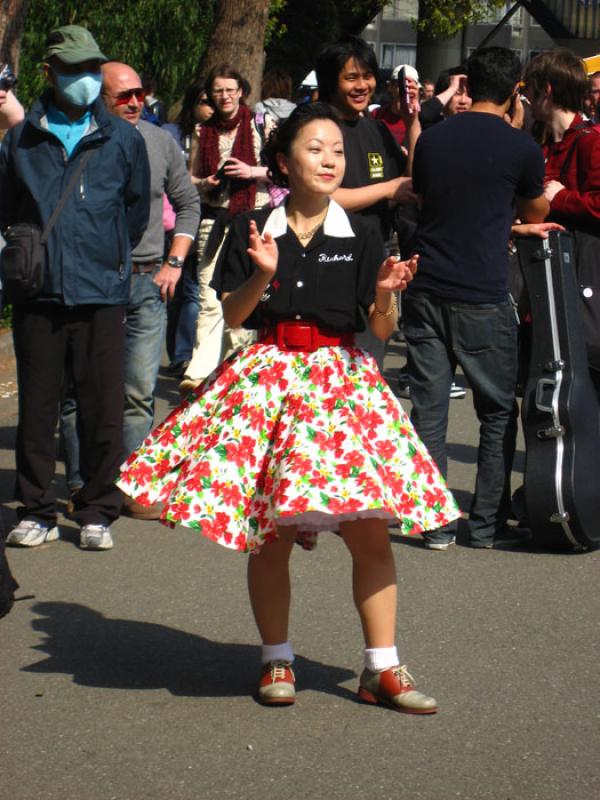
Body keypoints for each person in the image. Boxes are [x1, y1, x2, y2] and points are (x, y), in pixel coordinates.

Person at [118, 102, 460, 711]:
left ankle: (382, 667)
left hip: (341, 385)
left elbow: (377, 330)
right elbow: (235, 316)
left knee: (370, 534)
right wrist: (262, 274)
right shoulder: (254, 228)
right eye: (315, 149)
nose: (330, 160)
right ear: (283, 161)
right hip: (268, 380)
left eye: (337, 152)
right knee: (268, 535)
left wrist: (385, 296)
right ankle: (277, 659)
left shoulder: (365, 235)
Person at [0, 25, 150, 551]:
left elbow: (134, 213)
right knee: (38, 409)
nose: (86, 79)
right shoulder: (20, 139)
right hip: (38, 292)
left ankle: (97, 509)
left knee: (102, 408)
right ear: (50, 73)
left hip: (102, 293)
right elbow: (8, 210)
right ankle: (37, 508)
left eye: (93, 69)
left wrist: (105, 258)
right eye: (75, 69)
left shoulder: (123, 138)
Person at [402, 46, 548, 552]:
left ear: (467, 88)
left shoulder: (435, 141)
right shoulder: (521, 148)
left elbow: (424, 195)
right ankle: (484, 525)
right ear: (514, 93)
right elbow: (537, 206)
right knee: (496, 413)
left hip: (427, 287)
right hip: (484, 292)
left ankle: (435, 523)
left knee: (430, 411)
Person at [60, 61, 201, 521]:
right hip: (91, 283)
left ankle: (132, 484)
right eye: (123, 96)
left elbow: (188, 204)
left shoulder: (161, 142)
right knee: (80, 389)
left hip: (145, 280)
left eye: (139, 93)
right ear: (98, 99)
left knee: (139, 390)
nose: (135, 102)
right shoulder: (81, 141)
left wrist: (174, 263)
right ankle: (81, 482)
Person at [179, 64, 273, 394]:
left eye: (230, 89)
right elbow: (187, 179)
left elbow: (283, 172)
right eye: (218, 90)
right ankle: (200, 374)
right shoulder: (201, 131)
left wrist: (251, 170)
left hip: (254, 220)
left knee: (245, 298)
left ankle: (238, 371)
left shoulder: (261, 124)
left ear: (241, 91)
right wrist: (204, 181)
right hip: (214, 221)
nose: (225, 96)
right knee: (208, 299)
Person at [523, 48, 600, 397]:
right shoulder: (540, 142)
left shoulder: (591, 141)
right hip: (549, 272)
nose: (526, 96)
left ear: (548, 90)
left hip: (583, 273)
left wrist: (561, 197)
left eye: (531, 87)